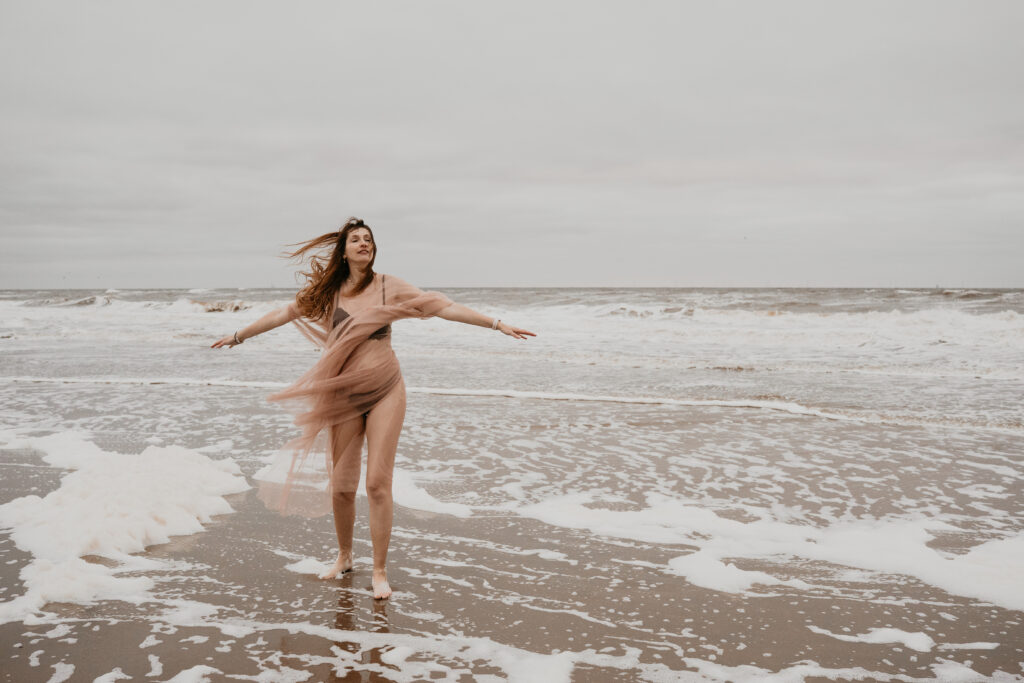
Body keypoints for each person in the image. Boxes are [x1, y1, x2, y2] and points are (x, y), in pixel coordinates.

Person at [212, 218, 535, 599]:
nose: (364, 244)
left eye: (368, 239)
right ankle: (345, 556)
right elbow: (283, 314)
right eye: (356, 240)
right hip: (344, 393)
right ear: (344, 251)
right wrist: (239, 335)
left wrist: (496, 324)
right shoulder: (327, 292)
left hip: (385, 389)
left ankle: (380, 570)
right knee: (342, 487)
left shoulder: (388, 286)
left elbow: (442, 306)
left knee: (378, 484)